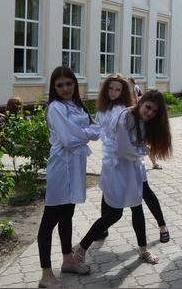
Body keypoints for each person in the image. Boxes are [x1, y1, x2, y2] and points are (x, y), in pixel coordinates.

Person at [73, 90, 172, 266]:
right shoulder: (126, 117)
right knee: (114, 214)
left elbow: (135, 147)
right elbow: (122, 150)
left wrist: (142, 149)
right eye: (148, 107)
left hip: (132, 170)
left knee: (137, 207)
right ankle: (81, 249)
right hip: (117, 171)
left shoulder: (143, 120)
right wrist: (143, 150)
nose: (150, 113)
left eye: (155, 111)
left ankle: (143, 249)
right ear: (140, 102)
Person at [37, 66, 101, 289]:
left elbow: (96, 130)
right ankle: (46, 274)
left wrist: (85, 134)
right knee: (49, 220)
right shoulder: (56, 108)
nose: (65, 88)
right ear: (54, 88)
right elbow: (69, 140)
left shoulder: (76, 105)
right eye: (60, 85)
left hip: (75, 166)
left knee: (67, 215)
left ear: (75, 83)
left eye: (69, 83)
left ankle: (68, 260)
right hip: (60, 168)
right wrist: (88, 134)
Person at [94, 75, 170, 242]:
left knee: (143, 194)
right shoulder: (103, 108)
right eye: (110, 88)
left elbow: (129, 140)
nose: (113, 92)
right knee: (108, 192)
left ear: (123, 92)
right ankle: (103, 229)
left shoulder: (123, 110)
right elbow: (100, 130)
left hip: (131, 159)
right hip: (113, 158)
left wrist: (140, 151)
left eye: (118, 89)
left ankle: (162, 226)